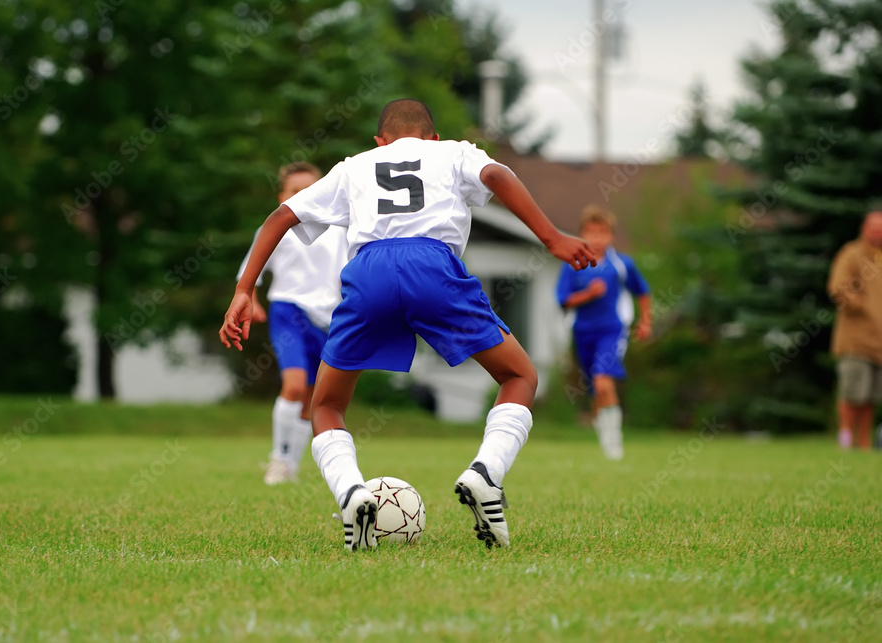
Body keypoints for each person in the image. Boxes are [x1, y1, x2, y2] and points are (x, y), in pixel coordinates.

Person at [220, 99, 595, 551]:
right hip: (431, 264)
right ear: (431, 138)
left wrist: (243, 290)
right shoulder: (453, 152)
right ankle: (485, 473)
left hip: (368, 272)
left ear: (379, 142)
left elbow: (281, 216)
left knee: (326, 406)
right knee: (519, 375)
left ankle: (351, 493)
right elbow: (497, 176)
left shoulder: (354, 166)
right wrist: (552, 237)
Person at [236, 162, 348, 484]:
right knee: (295, 385)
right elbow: (250, 272)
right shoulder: (276, 226)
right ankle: (276, 459)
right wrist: (252, 299)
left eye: (309, 189)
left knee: (313, 397)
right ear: (282, 195)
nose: (303, 196)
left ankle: (290, 465)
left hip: (328, 319)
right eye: (295, 191)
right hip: (289, 310)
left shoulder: (338, 227)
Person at [555, 206, 651, 460]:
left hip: (612, 330)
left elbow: (643, 291)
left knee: (603, 380)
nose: (597, 238)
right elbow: (563, 301)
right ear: (582, 235)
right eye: (591, 232)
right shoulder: (573, 265)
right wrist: (588, 295)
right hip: (582, 332)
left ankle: (613, 442)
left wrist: (645, 322)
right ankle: (603, 425)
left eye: (602, 233)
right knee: (596, 388)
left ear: (611, 236)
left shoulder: (622, 265)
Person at [827, 210, 882, 450]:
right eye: (874, 228)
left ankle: (864, 440)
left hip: (879, 341)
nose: (878, 233)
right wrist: (857, 303)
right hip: (855, 340)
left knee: (870, 397)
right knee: (853, 393)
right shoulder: (851, 255)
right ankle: (846, 436)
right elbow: (837, 287)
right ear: (864, 228)